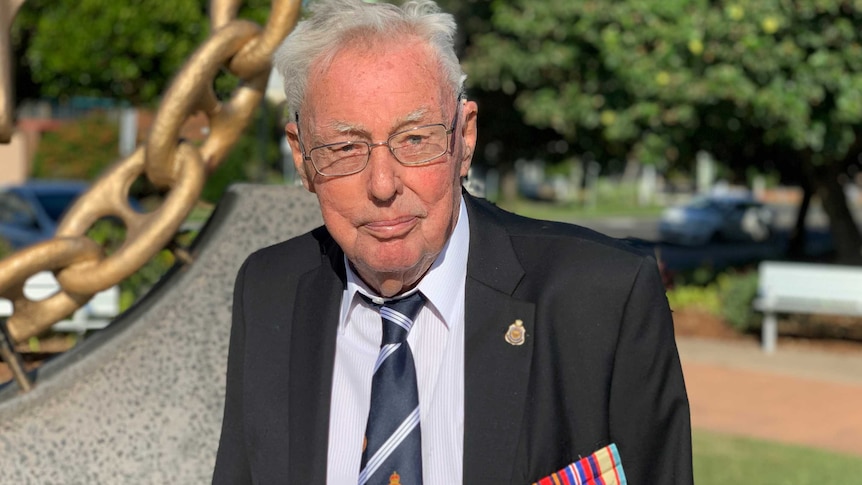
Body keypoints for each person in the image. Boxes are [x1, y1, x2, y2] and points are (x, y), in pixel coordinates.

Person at [213, 0, 693, 483]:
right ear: (302, 158)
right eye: (344, 148)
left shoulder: (601, 298)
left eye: (415, 139)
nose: (383, 185)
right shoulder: (269, 289)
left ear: (464, 138)